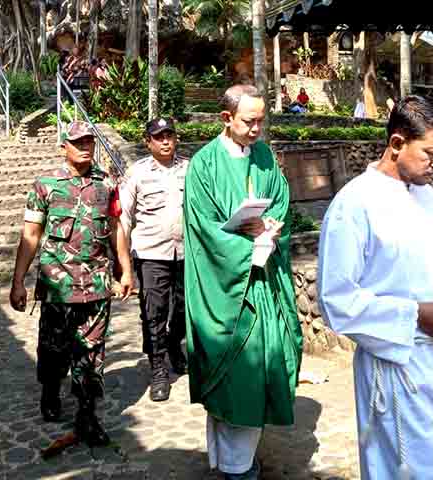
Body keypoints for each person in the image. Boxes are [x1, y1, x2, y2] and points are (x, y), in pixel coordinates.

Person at [318, 95, 433, 479]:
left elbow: (432, 266)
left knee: (432, 457)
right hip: (395, 366)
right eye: (430, 154)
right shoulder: (353, 204)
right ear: (397, 144)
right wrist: (417, 314)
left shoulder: (426, 196)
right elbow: (335, 300)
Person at [184, 84, 302, 479]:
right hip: (229, 289)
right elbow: (202, 230)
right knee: (238, 376)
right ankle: (236, 467)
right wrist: (245, 242)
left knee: (260, 371)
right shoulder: (204, 165)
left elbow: (282, 201)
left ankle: (238, 462)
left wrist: (270, 230)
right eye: (249, 121)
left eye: (260, 121)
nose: (256, 129)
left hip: (263, 285)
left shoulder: (265, 157)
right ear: (226, 119)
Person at [9, 121, 133, 447]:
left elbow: (117, 228)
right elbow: (30, 235)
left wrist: (126, 270)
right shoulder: (45, 185)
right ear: (64, 145)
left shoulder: (107, 184)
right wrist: (18, 281)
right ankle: (50, 389)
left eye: (90, 141)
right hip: (57, 286)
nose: (85, 147)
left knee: (91, 353)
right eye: (78, 142)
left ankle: (87, 413)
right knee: (54, 349)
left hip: (96, 284)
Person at [119, 117, 189, 402]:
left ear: (176, 138)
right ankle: (158, 368)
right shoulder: (136, 173)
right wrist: (122, 264)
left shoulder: (190, 168)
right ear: (148, 142)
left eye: (169, 135)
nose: (165, 141)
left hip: (186, 253)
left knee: (186, 308)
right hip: (151, 254)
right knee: (154, 312)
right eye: (158, 136)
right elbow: (123, 217)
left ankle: (174, 344)